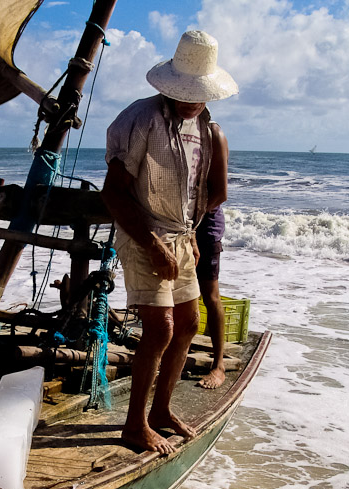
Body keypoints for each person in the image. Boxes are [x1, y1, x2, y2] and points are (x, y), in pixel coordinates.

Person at [101, 31, 237, 454]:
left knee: (190, 324)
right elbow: (113, 193)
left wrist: (191, 230)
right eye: (184, 92)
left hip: (181, 236)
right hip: (142, 232)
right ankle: (134, 425)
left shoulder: (208, 129)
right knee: (159, 329)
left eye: (197, 94)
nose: (190, 101)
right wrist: (153, 244)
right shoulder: (140, 120)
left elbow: (213, 192)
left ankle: (160, 411)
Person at [196, 124, 229, 389]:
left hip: (204, 226)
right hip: (178, 223)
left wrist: (192, 221)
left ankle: (219, 364)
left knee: (210, 295)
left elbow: (220, 193)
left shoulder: (212, 134)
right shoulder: (170, 130)